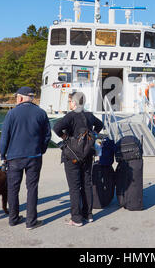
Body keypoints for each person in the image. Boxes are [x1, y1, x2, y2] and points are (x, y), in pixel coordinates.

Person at [0, 86, 51, 230]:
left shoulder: (11, 113)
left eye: (16, 97)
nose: (16, 100)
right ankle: (31, 221)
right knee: (32, 188)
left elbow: (4, 137)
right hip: (34, 156)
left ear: (21, 98)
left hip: (14, 157)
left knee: (13, 188)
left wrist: (3, 155)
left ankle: (13, 218)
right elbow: (47, 135)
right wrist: (41, 150)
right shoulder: (41, 113)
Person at [53, 92, 103, 227]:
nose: (69, 104)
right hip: (87, 154)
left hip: (72, 155)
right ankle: (89, 214)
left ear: (74, 103)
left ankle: (76, 218)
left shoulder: (70, 116)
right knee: (87, 184)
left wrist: (65, 138)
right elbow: (100, 124)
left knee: (74, 187)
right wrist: (93, 135)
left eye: (70, 101)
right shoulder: (89, 115)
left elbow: (56, 128)